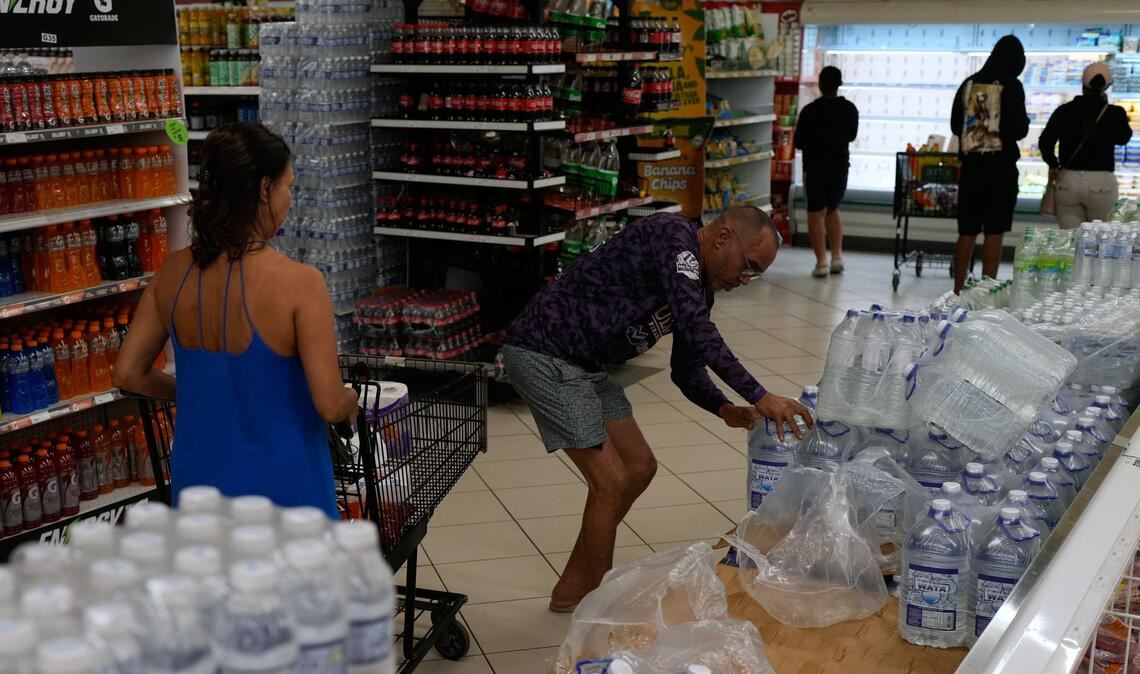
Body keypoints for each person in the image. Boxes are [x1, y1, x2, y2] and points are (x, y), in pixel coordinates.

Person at [501, 207, 814, 612]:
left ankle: (573, 586)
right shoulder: (673, 239)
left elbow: (685, 368)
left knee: (640, 466)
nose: (744, 279)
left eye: (754, 275)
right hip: (543, 352)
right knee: (610, 481)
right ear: (722, 238)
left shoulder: (700, 286)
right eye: (748, 266)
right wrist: (759, 394)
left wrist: (722, 407)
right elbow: (697, 327)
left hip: (583, 364)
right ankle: (598, 608)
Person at [113, 123, 358, 518]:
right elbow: (329, 404)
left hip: (199, 484)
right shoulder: (300, 284)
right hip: (284, 492)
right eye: (288, 187)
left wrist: (198, 394)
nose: (290, 201)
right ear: (264, 189)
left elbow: (127, 373)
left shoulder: (172, 273)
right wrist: (352, 400)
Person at [950, 35, 1030, 294]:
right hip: (1001, 170)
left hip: (972, 168)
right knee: (994, 232)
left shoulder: (969, 83)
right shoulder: (1012, 85)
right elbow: (1019, 129)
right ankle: (985, 293)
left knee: (967, 232)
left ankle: (958, 291)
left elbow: (955, 126)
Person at [1038, 61, 1133, 229]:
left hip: (1067, 181)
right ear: (1107, 86)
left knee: (1071, 240)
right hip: (1101, 183)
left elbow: (1045, 141)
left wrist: (1053, 164)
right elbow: (1123, 138)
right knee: (1100, 241)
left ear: (1083, 84)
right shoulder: (1115, 113)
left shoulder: (1064, 110)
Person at [794, 65, 858, 277]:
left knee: (815, 213)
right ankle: (837, 257)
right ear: (839, 85)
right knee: (832, 208)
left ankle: (821, 262)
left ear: (820, 84)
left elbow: (799, 142)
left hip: (815, 168)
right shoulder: (849, 109)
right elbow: (851, 136)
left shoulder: (810, 111)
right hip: (839, 167)